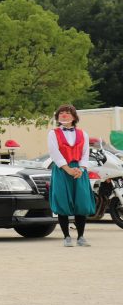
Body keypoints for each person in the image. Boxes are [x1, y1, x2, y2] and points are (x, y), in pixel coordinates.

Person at [48, 104, 97, 247]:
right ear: (57, 117)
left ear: (74, 116)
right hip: (62, 170)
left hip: (79, 170)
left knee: (81, 202)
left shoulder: (83, 133)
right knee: (63, 202)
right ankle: (66, 236)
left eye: (67, 113)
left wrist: (81, 168)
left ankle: (81, 236)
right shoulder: (53, 133)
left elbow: (85, 153)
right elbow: (54, 153)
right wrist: (67, 169)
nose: (64, 115)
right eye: (61, 113)